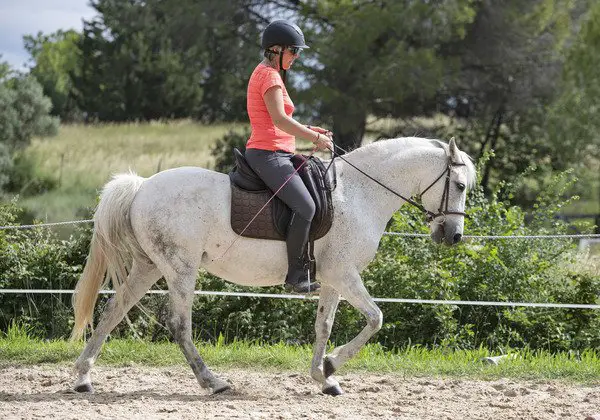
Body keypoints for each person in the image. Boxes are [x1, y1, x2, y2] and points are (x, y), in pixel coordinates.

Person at [244, 19, 333, 293]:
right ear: (276, 49)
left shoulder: (270, 73)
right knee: (306, 207)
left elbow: (282, 122)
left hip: (279, 152)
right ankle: (296, 274)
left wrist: (309, 129)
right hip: (268, 155)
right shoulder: (269, 76)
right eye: (294, 51)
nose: (296, 57)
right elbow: (280, 120)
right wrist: (314, 138)